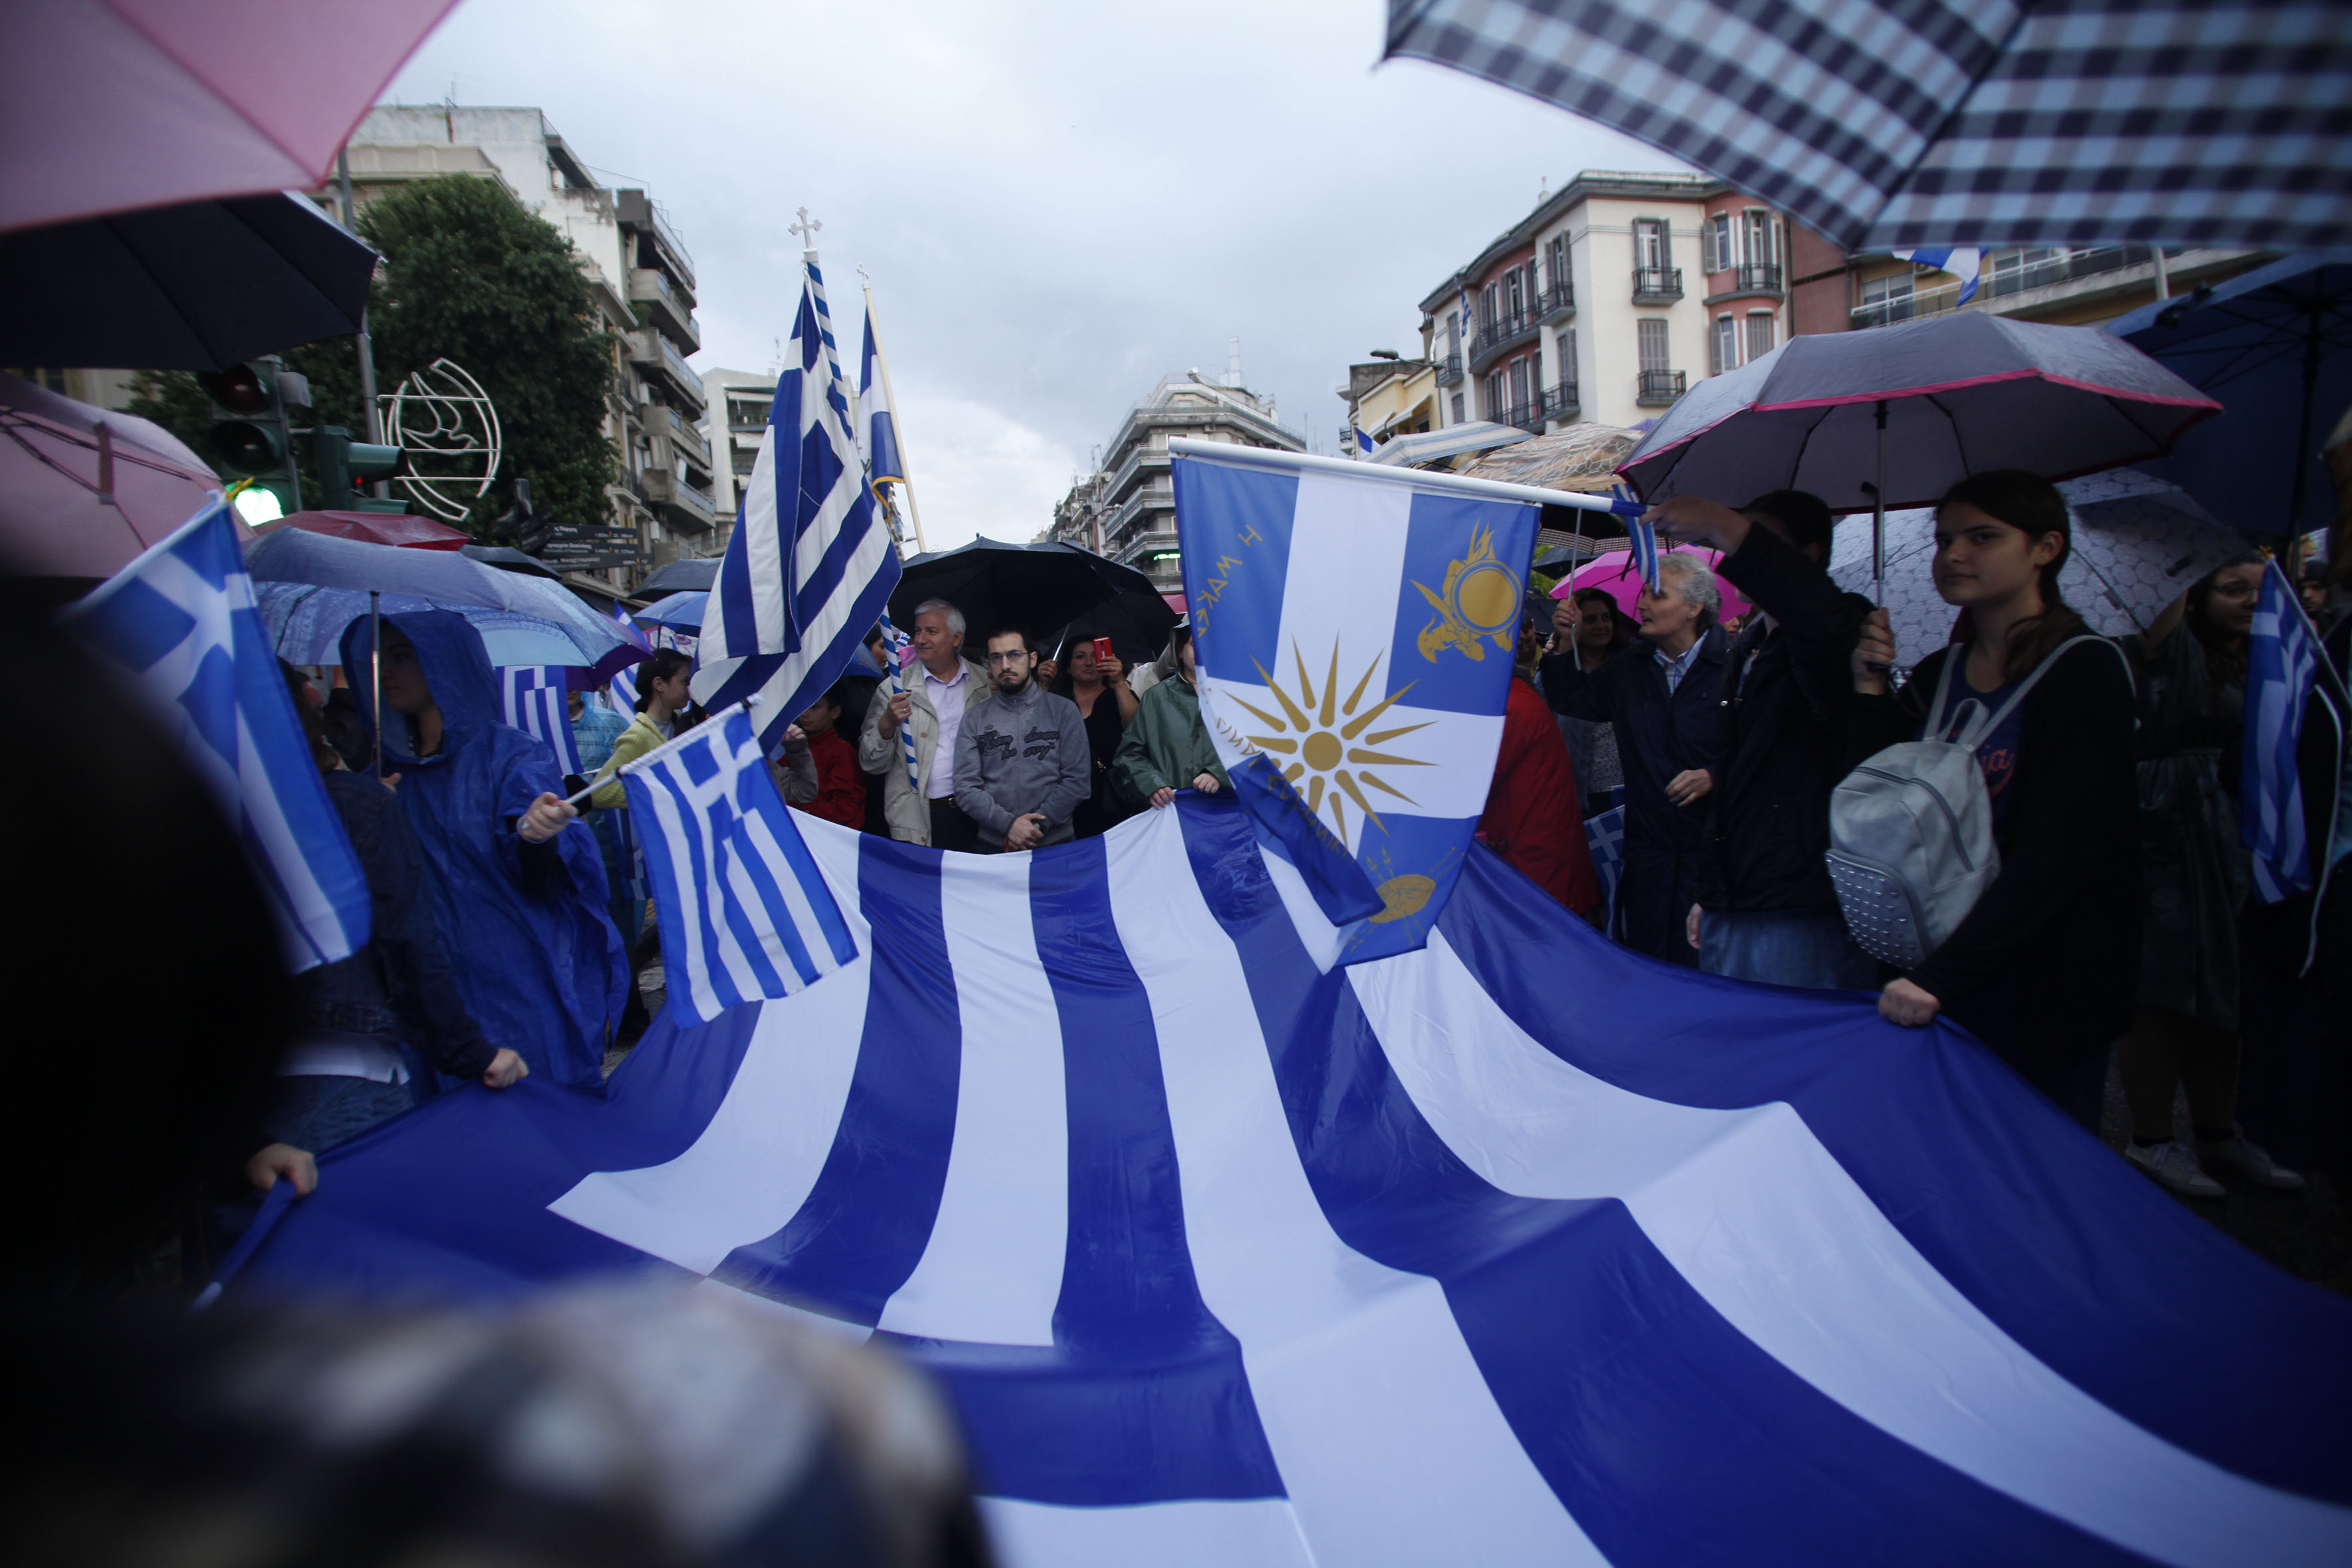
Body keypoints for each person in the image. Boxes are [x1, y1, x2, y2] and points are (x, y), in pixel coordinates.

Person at [1845, 470, 2137, 1131]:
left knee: (2036, 1162)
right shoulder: (1937, 673)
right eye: (1944, 539)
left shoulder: (2084, 670)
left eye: (1982, 537)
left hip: (2042, 981)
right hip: (1941, 968)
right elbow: (1879, 795)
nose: (1953, 555)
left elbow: (2057, 851)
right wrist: (1868, 693)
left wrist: (1947, 975)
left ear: (2045, 548)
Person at [338, 612, 627, 1091]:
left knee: (537, 1115)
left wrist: (536, 836)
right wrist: (368, 813)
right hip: (431, 1000)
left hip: (514, 982)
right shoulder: (382, 779)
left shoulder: (510, 757)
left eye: (402, 656)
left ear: (445, 661)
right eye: (378, 657)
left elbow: (547, 877)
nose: (386, 671)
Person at [271, 665, 527, 1158]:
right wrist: (471, 1053)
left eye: (405, 656)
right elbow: (409, 942)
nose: (390, 672)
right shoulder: (357, 806)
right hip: (349, 1075)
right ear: (308, 704)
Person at [2110, 556, 2304, 1195]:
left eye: (2260, 589)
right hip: (2168, 829)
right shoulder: (2167, 651)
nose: (2249, 600)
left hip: (2238, 835)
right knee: (2162, 991)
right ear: (2195, 597)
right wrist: (2182, 548)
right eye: (2232, 589)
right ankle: (2150, 1138)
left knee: (2228, 989)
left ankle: (2218, 1133)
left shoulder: (2269, 655)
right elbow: (2158, 604)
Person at [1640, 491, 1879, 990]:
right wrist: (1714, 890)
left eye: (1758, 539)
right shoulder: (1749, 648)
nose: (1740, 549)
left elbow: (1822, 617)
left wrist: (1719, 522)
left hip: (1799, 906)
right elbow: (1737, 780)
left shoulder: (1837, 633)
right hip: (1737, 901)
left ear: (1807, 557)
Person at [1539, 554, 1728, 965]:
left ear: (1694, 607)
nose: (1641, 604)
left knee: (1707, 970)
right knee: (1648, 960)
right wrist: (1565, 642)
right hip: (1649, 853)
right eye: (1643, 594)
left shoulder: (1733, 666)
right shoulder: (1631, 667)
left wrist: (1716, 775)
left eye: (1657, 595)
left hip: (1715, 857)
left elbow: (1764, 755)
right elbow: (1575, 700)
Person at [1480, 628, 1601, 915]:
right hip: (1533, 859)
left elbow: (1475, 785)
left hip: (1535, 865)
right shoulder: (1512, 699)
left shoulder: (1510, 708)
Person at [862, 599, 990, 850]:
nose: (920, 639)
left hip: (979, 815)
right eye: (918, 631)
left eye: (931, 631)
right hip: (921, 821)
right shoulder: (894, 690)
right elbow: (871, 764)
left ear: (956, 638)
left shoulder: (985, 684)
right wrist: (886, 725)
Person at [952, 628, 1090, 852]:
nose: (1005, 665)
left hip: (1056, 843)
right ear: (988, 664)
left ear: (1033, 659)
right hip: (993, 844)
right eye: (996, 657)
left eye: (1014, 655)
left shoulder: (1064, 711)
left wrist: (1035, 827)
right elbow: (965, 787)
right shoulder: (974, 719)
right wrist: (1008, 825)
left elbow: (1078, 781)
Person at [1113, 621, 1229, 809]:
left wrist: (1220, 774)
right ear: (1180, 651)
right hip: (1172, 810)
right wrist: (1152, 783)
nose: (1202, 651)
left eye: (1209, 644)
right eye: (1194, 644)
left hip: (1230, 809)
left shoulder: (1241, 697)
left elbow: (1261, 749)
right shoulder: (1156, 697)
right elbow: (1130, 754)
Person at [1545, 586, 1632, 816]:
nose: (1601, 626)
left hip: (1625, 790)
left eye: (1606, 617)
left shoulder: (1631, 666)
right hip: (1573, 792)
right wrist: (1567, 641)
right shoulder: (1557, 670)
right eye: (1590, 620)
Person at [1054, 635, 1139, 837]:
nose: (1089, 662)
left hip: (1111, 800)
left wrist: (1118, 682)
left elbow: (1137, 728)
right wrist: (1042, 684)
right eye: (1080, 656)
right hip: (1065, 803)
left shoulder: (1117, 696)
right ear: (1067, 667)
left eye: (1095, 656)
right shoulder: (1056, 702)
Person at [784, 681, 866, 829]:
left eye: (814, 708)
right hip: (795, 825)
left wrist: (808, 816)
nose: (805, 714)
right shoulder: (795, 745)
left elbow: (845, 806)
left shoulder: (842, 752)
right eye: (804, 706)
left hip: (823, 831)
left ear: (835, 712)